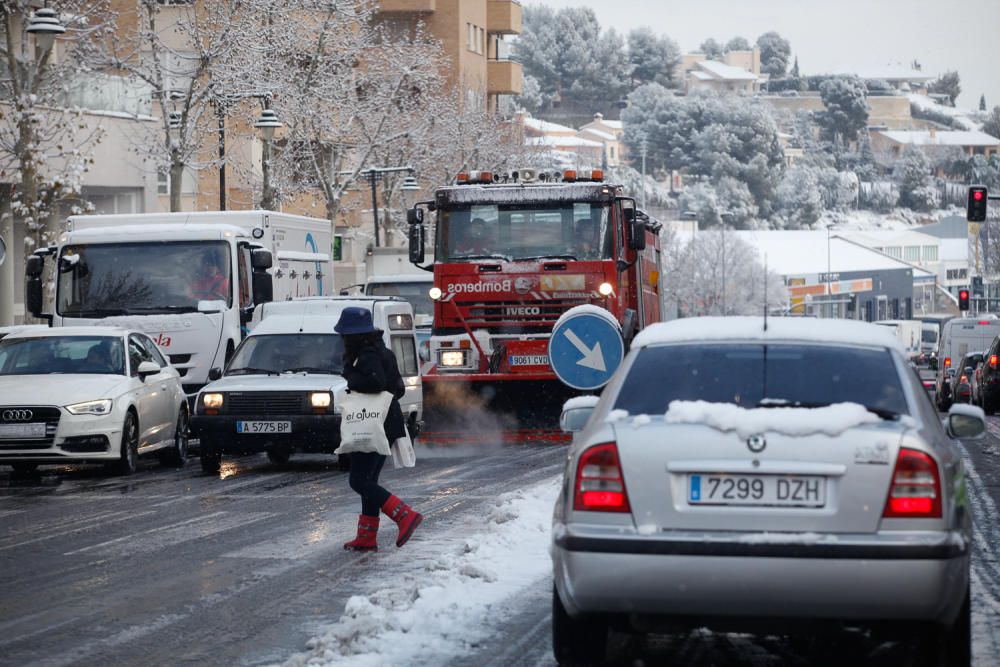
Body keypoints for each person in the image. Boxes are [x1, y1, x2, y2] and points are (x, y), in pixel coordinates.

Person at [334, 306, 423, 552]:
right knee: (368, 479)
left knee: (359, 481)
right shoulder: (383, 352)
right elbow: (398, 388)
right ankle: (366, 537)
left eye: (344, 335)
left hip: (371, 422)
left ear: (351, 336)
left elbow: (375, 382)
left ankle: (404, 515)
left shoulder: (366, 355)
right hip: (385, 420)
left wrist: (350, 375)